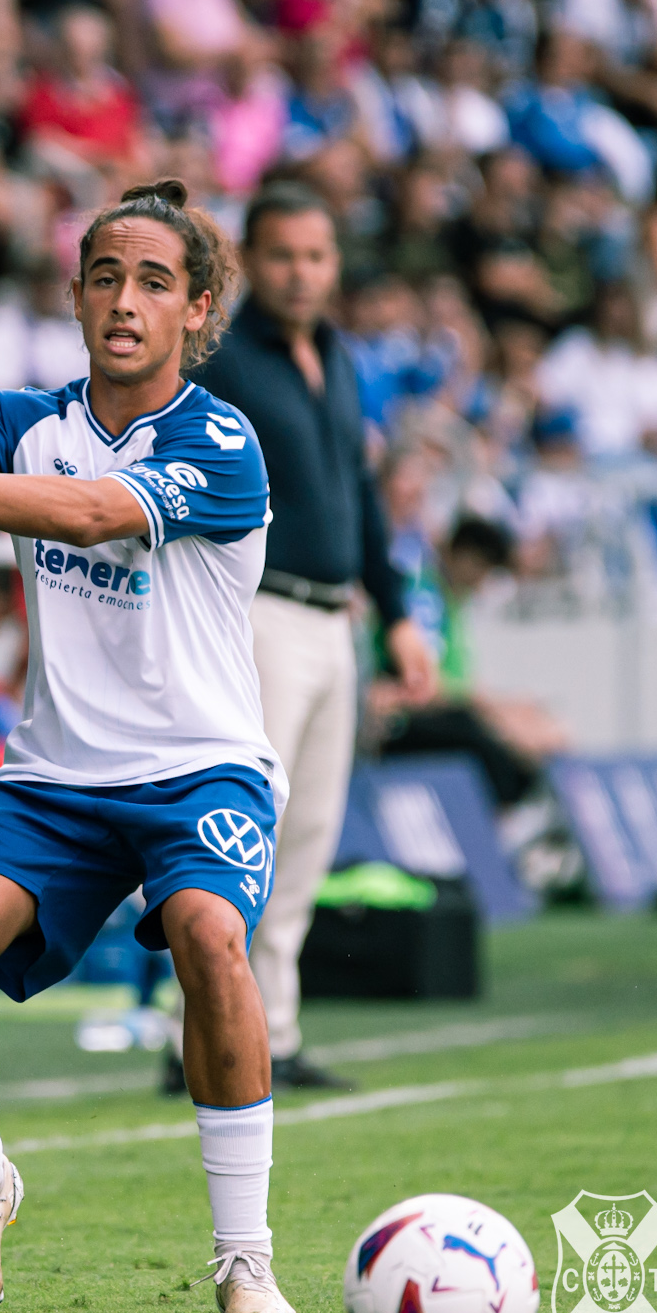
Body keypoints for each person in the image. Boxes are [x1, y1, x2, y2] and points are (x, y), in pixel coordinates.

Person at [0, 179, 299, 1313]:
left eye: (153, 282)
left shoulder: (219, 439)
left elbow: (82, 515)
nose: (125, 301)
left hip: (202, 769)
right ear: (75, 298)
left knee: (208, 937)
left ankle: (244, 1257)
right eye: (104, 278)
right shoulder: (25, 416)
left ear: (198, 309)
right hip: (53, 778)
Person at [188, 182, 437, 1092]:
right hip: (258, 614)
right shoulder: (222, 362)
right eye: (285, 255)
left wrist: (399, 611)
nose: (302, 273)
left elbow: (360, 494)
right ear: (254, 260)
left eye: (317, 256)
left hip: (337, 620)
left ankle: (272, 1034)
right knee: (241, 834)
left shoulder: (336, 353)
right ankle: (205, 1035)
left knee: (309, 836)